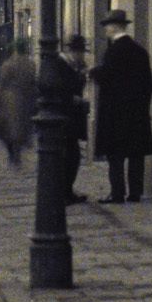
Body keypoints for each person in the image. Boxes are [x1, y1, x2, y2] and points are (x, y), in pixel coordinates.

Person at [91, 9, 152, 204]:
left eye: (107, 26)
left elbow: (108, 78)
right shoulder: (140, 51)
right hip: (136, 113)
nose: (105, 30)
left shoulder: (113, 51)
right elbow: (148, 84)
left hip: (115, 114)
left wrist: (95, 73)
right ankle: (135, 192)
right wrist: (142, 107)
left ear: (114, 27)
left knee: (115, 157)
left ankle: (117, 193)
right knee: (136, 155)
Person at [0, 40, 37, 167]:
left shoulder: (9, 64)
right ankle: (17, 153)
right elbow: (33, 83)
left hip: (10, 101)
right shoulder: (31, 64)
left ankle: (13, 154)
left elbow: (0, 84)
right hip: (26, 101)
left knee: (8, 130)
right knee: (21, 129)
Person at [62, 34, 90, 203]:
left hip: (74, 118)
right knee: (70, 156)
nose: (82, 56)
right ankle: (65, 192)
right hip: (66, 117)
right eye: (80, 52)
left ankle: (67, 191)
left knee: (73, 156)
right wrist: (74, 99)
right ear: (72, 51)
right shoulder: (62, 65)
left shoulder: (77, 66)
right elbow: (58, 90)